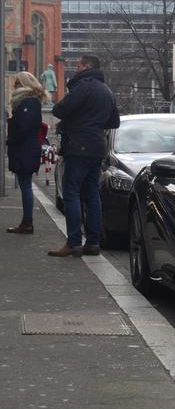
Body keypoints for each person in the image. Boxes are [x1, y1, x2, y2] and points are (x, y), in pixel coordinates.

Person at [48, 55, 120, 258]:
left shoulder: (83, 87)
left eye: (78, 65)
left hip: (78, 146)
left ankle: (73, 242)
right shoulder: (106, 90)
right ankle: (93, 242)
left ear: (88, 66)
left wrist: (79, 121)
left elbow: (60, 109)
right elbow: (114, 121)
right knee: (92, 194)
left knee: (71, 192)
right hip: (97, 146)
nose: (76, 68)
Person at [6, 72, 50, 234]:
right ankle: (26, 222)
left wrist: (11, 136)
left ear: (22, 84)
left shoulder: (28, 102)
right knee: (25, 185)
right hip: (26, 149)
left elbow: (23, 127)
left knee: (25, 186)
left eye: (16, 82)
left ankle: (27, 222)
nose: (14, 85)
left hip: (25, 149)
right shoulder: (29, 101)